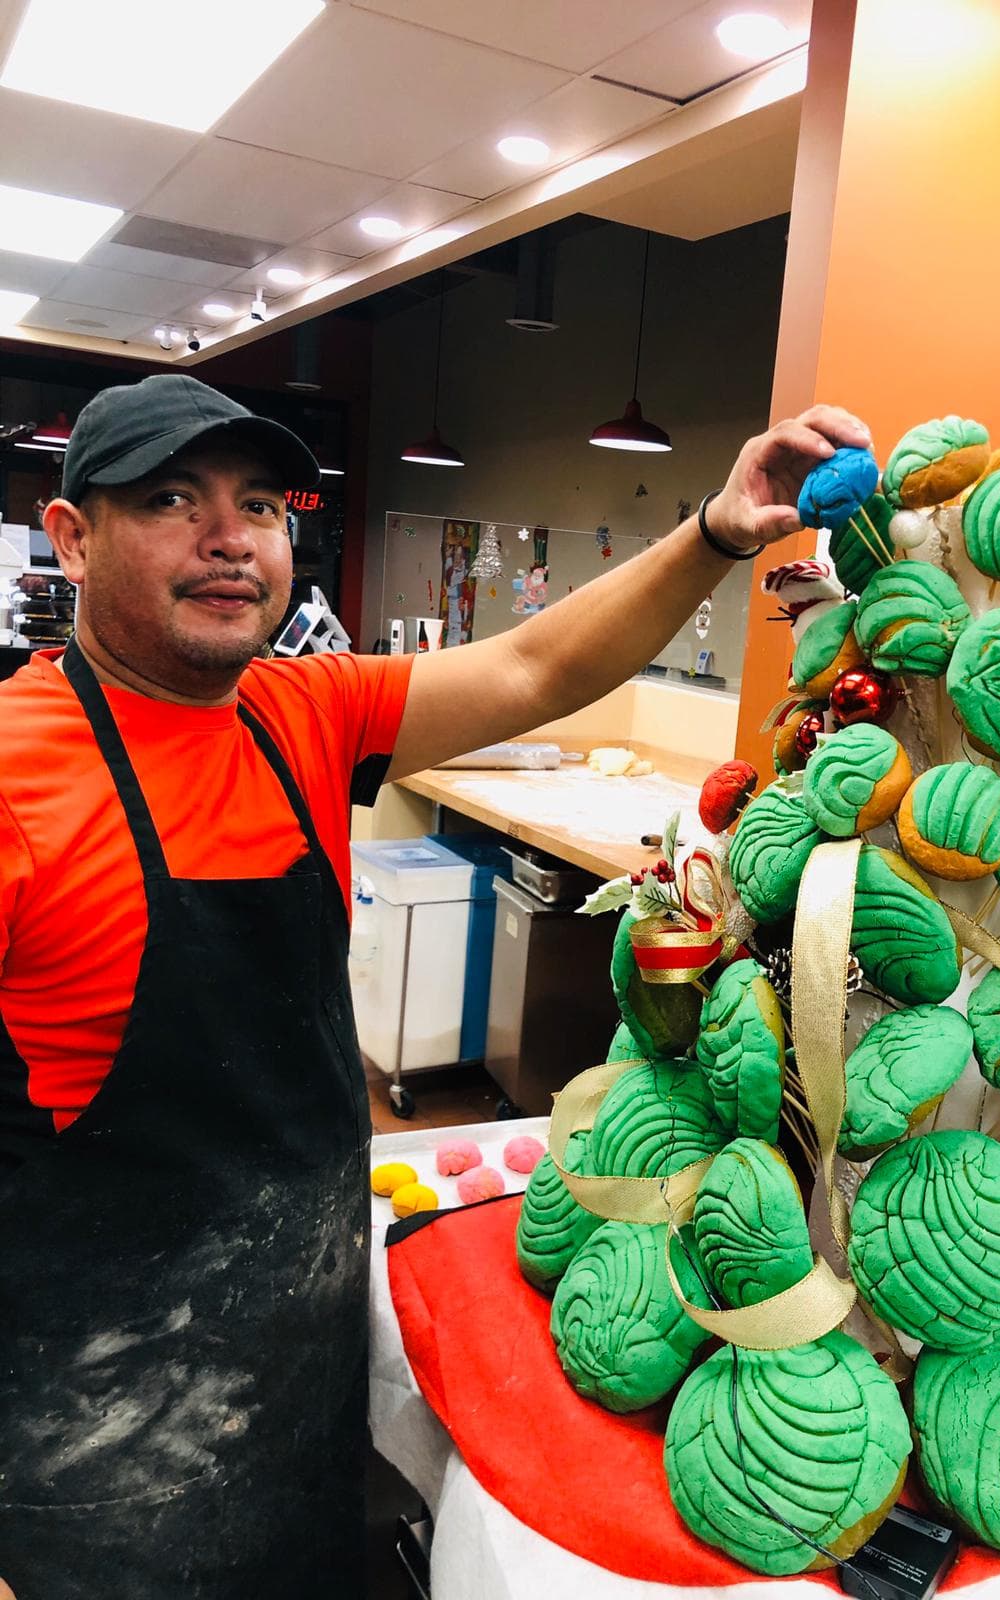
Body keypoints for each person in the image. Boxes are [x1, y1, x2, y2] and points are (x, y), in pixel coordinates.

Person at [0, 372, 869, 1598]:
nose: (228, 535)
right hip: (92, 1443)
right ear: (74, 536)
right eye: (167, 499)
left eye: (258, 502)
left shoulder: (297, 713)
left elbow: (531, 667)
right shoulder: (13, 776)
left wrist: (717, 531)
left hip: (301, 1371)